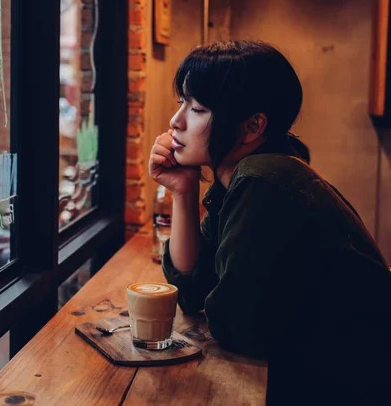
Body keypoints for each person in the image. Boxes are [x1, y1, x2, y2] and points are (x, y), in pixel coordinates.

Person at [149, 41, 391, 405]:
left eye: (197, 107)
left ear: (252, 127)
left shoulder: (263, 180)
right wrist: (182, 193)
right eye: (181, 102)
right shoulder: (244, 178)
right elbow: (192, 291)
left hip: (350, 386)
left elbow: (235, 326)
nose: (176, 120)